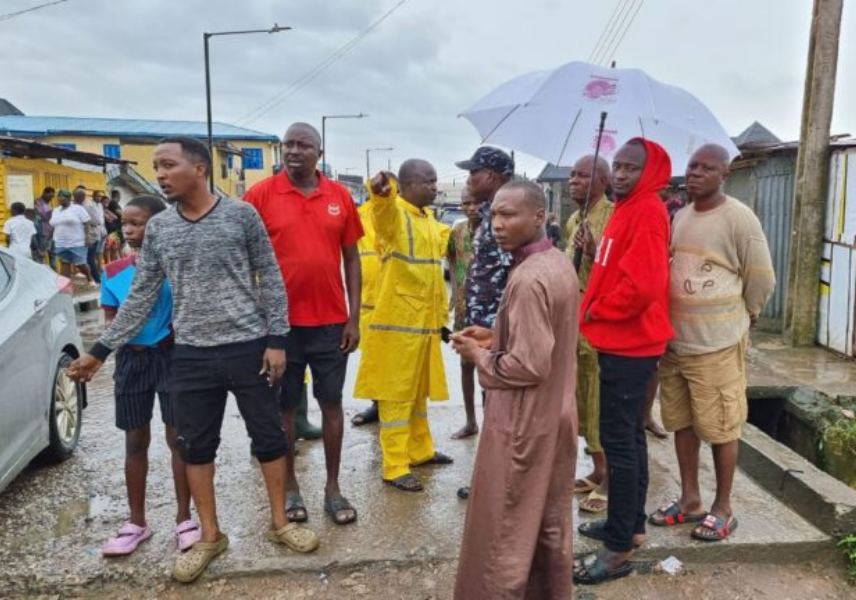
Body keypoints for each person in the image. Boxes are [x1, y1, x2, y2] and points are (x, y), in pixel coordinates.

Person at [68, 137, 318, 583]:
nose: (160, 174)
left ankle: (280, 523)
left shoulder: (242, 215)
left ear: (199, 168)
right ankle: (209, 535)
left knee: (269, 438)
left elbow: (271, 277)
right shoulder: (161, 229)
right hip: (190, 353)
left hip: (248, 346)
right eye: (157, 166)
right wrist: (102, 350)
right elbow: (142, 294)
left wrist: (277, 338)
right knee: (194, 446)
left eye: (168, 165)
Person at [452, 181, 579, 599]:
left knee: (506, 529)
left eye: (509, 215)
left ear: (539, 217)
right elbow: (547, 336)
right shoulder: (558, 263)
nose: (498, 225)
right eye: (494, 216)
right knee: (545, 520)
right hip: (556, 416)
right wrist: (496, 334)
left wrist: (478, 355)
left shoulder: (527, 278)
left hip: (525, 423)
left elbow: (528, 365)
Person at [648, 144, 775, 542]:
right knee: (682, 424)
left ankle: (723, 508)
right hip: (676, 344)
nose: (696, 173)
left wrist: (746, 317)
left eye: (707, 168)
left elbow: (761, 278)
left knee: (721, 427)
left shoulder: (739, 218)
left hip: (717, 345)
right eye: (692, 166)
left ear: (725, 175)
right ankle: (690, 501)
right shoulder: (680, 217)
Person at [244, 122, 362, 526]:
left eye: (303, 145)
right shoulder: (259, 195)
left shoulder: (340, 196)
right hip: (279, 328)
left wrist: (354, 317)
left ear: (319, 151)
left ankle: (332, 487)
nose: (294, 151)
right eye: (288, 144)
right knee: (285, 409)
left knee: (332, 404)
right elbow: (243, 259)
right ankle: (291, 486)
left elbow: (352, 258)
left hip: (330, 323)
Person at [573, 138, 673, 585]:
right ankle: (629, 527)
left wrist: (599, 310)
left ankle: (616, 551)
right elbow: (618, 268)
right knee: (628, 438)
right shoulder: (625, 209)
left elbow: (645, 285)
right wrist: (594, 253)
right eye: (617, 165)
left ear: (649, 172)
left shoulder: (648, 210)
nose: (621, 173)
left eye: (631, 167)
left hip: (630, 343)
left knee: (620, 442)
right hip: (619, 341)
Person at [98, 194, 200, 557]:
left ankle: (185, 517)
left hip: (172, 356)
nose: (129, 229)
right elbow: (111, 323)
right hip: (132, 361)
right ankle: (136, 521)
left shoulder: (176, 267)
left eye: (138, 222)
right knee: (135, 440)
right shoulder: (113, 273)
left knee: (179, 438)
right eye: (125, 222)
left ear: (158, 224)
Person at [354, 163, 453, 492]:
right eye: (430, 181)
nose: (435, 187)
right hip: (398, 329)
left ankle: (420, 450)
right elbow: (382, 215)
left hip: (422, 329)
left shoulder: (427, 220)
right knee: (396, 399)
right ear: (408, 185)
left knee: (417, 396)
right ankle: (395, 466)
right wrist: (380, 193)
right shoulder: (395, 213)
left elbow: (448, 246)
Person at [454, 146, 514, 499]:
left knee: (500, 409)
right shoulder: (488, 215)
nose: (468, 181)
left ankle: (497, 483)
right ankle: (494, 478)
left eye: (472, 173)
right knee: (492, 403)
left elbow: (513, 276)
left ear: (490, 176)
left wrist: (498, 331)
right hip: (486, 329)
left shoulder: (504, 217)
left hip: (498, 332)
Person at [564, 155, 614, 515]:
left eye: (582, 175)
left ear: (601, 180)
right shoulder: (572, 220)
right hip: (575, 324)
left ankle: (611, 478)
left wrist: (595, 253)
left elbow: (617, 271)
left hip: (601, 323)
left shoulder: (613, 216)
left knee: (602, 405)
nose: (573, 181)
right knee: (582, 402)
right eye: (571, 175)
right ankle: (597, 469)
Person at [350, 174, 395, 428]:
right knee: (373, 360)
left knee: (399, 361)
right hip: (368, 301)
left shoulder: (401, 214)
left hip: (397, 302)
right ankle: (378, 405)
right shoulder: (358, 215)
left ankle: (398, 406)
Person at [447, 190, 484, 439]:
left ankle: (492, 422)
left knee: (489, 368)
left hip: (487, 311)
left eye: (476, 203)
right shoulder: (457, 231)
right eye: (466, 203)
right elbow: (451, 258)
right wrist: (454, 291)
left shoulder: (494, 231)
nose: (471, 208)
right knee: (465, 366)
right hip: (462, 309)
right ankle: (471, 421)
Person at [49, 189, 94, 283]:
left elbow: (87, 223)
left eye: (62, 197)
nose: (60, 199)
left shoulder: (77, 209)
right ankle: (66, 286)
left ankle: (90, 279)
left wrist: (88, 237)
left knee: (80, 264)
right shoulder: (56, 210)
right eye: (59, 197)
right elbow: (53, 225)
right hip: (60, 242)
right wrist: (49, 239)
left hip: (77, 242)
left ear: (69, 198)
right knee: (65, 263)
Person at [75, 187, 105, 284]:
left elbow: (98, 221)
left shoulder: (88, 206)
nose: (75, 198)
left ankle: (97, 279)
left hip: (91, 235)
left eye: (77, 196)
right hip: (79, 236)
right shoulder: (74, 206)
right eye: (75, 196)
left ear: (82, 197)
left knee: (90, 259)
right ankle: (91, 278)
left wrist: (85, 221)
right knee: (84, 259)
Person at [33, 186, 55, 266]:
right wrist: (50, 213)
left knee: (53, 257)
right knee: (41, 257)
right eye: (50, 196)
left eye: (52, 197)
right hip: (42, 234)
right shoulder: (37, 202)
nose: (51, 198)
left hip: (50, 234)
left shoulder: (48, 204)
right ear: (45, 193)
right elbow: (39, 216)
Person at [101, 192, 124, 263]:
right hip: (107, 231)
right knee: (107, 248)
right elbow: (109, 219)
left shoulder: (107, 209)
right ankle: (107, 263)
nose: (106, 203)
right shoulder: (100, 210)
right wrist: (109, 216)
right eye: (104, 202)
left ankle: (113, 263)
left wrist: (108, 214)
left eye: (107, 202)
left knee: (114, 247)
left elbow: (115, 217)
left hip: (113, 230)